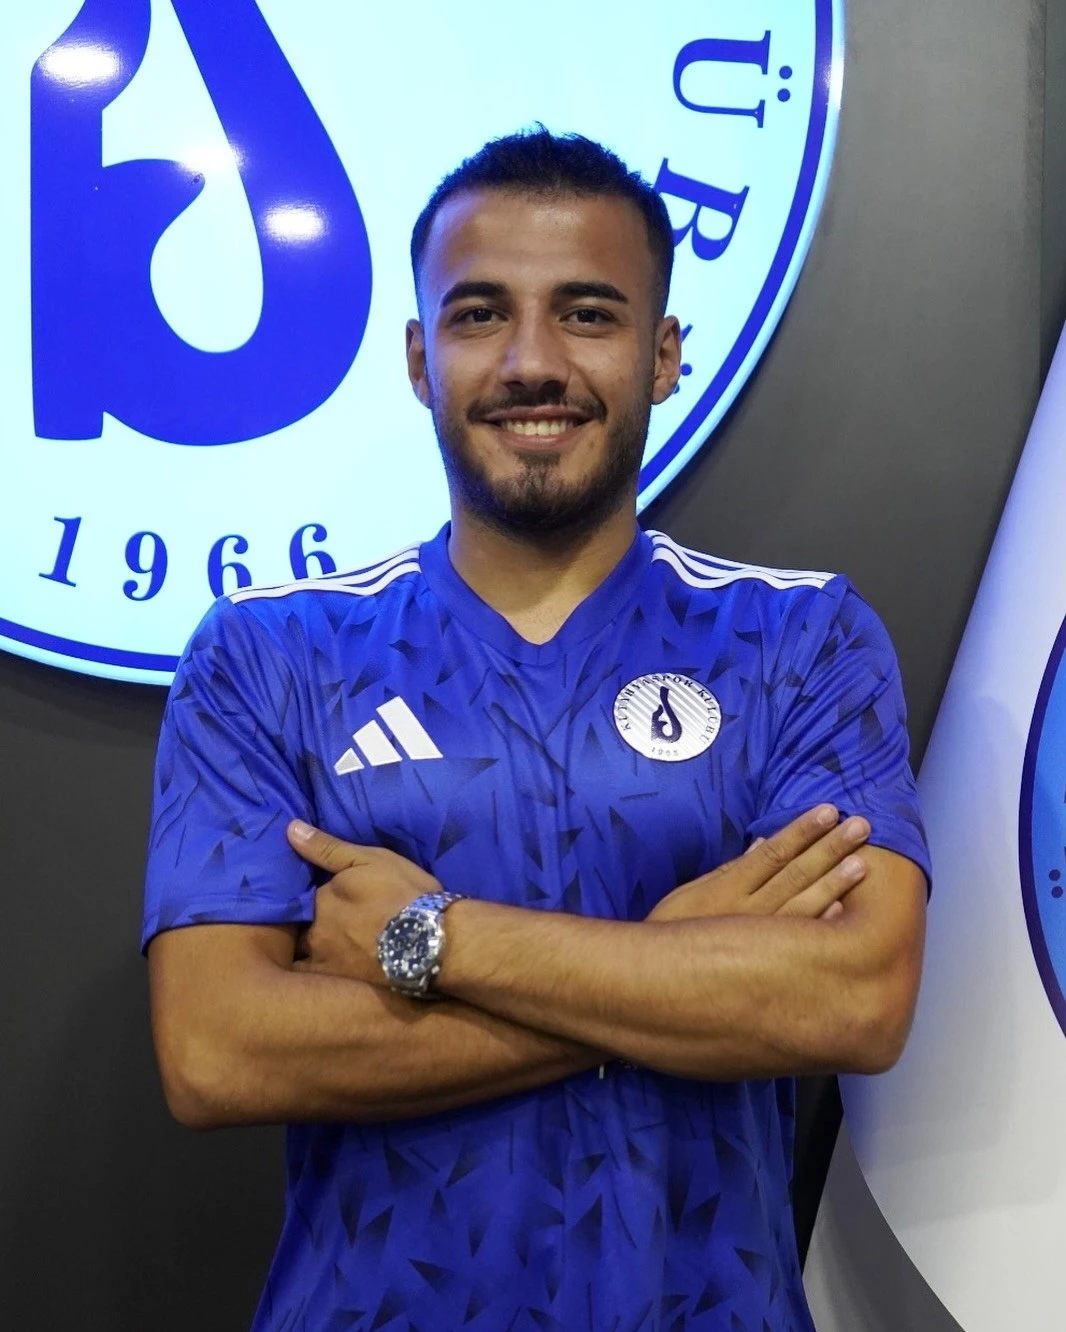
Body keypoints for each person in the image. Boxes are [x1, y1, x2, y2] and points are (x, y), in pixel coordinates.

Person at [144, 128, 930, 1332]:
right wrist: (674, 962)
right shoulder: (269, 656)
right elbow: (216, 1052)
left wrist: (430, 941)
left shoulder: (800, 640)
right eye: (478, 315)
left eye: (587, 313)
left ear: (663, 355)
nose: (530, 362)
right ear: (420, 359)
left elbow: (856, 999)